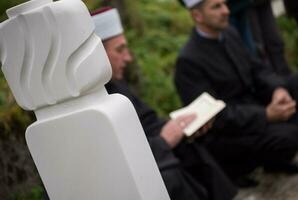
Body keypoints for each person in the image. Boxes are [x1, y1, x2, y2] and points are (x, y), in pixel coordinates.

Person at [92, 7, 237, 200]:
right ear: (98, 55)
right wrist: (163, 142)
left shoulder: (117, 85)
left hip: (152, 153)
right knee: (171, 176)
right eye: (120, 50)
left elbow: (148, 121)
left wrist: (181, 125)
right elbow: (115, 162)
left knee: (190, 147)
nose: (128, 57)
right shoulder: (93, 105)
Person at [175, 0, 298, 184]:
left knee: (296, 85)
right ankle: (241, 169)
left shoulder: (229, 33)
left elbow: (258, 70)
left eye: (225, 4)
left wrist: (278, 89)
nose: (226, 11)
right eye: (216, 7)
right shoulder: (188, 61)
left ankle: (275, 159)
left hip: (253, 108)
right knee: (290, 134)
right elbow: (215, 116)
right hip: (230, 133)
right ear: (197, 16)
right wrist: (265, 115)